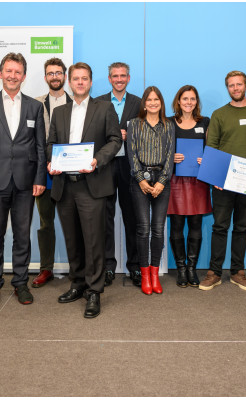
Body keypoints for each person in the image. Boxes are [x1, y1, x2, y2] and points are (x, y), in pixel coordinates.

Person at [47, 62, 122, 318]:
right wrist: (52, 162)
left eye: (84, 79)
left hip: (92, 185)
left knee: (94, 241)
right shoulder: (59, 112)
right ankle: (77, 284)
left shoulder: (105, 108)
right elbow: (51, 144)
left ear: (90, 82)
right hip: (65, 186)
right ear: (69, 81)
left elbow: (115, 139)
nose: (80, 82)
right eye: (76, 78)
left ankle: (94, 291)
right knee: (73, 240)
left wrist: (97, 160)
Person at [0, 53, 46, 308]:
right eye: (9, 71)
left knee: (22, 235)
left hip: (26, 182)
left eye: (17, 72)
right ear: (0, 73)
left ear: (24, 77)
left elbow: (40, 147)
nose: (13, 76)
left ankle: (20, 283)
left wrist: (40, 178)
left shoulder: (35, 107)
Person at [198, 70, 246, 292]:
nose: (235, 88)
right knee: (219, 226)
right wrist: (214, 176)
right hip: (222, 181)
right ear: (228, 88)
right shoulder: (219, 114)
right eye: (231, 85)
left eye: (239, 84)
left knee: (241, 227)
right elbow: (211, 147)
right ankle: (214, 272)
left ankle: (238, 271)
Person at [96, 62, 142, 287]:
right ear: (109, 78)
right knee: (105, 217)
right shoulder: (99, 103)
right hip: (106, 165)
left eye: (123, 76)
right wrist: (114, 135)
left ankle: (134, 267)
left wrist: (130, 135)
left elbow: (146, 134)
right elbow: (94, 135)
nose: (119, 79)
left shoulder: (139, 103)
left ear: (129, 78)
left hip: (131, 166)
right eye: (115, 76)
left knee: (131, 217)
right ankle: (108, 267)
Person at [126, 86, 175, 295]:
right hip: (140, 180)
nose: (153, 103)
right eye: (149, 99)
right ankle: (144, 274)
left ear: (161, 103)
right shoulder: (135, 125)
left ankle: (155, 274)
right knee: (143, 229)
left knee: (158, 229)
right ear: (144, 103)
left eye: (157, 100)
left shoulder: (169, 125)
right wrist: (140, 180)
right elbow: (132, 154)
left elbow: (170, 155)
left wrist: (162, 181)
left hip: (162, 181)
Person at [31, 58, 72, 289]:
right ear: (45, 77)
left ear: (64, 76)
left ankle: (78, 269)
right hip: (44, 172)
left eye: (58, 73)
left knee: (72, 222)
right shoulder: (36, 104)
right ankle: (46, 268)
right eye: (50, 73)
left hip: (70, 173)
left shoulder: (76, 102)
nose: (54, 76)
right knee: (46, 222)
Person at [168, 85, 211, 288]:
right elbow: (160, 149)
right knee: (176, 225)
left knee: (195, 225)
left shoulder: (205, 122)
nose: (188, 102)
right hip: (176, 180)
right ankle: (181, 268)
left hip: (198, 181)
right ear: (178, 101)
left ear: (197, 102)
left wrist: (207, 160)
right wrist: (170, 157)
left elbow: (213, 147)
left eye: (192, 99)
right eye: (185, 98)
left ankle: (192, 268)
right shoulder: (168, 122)